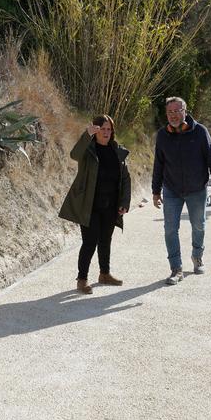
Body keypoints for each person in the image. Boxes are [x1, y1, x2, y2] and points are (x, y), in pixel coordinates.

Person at [152, 96, 211, 285]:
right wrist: (155, 191)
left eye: (177, 111)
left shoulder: (200, 132)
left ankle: (197, 256)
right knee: (169, 229)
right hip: (171, 189)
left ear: (185, 111)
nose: (174, 115)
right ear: (166, 114)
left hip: (196, 189)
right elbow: (158, 164)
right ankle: (176, 268)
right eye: (170, 112)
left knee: (199, 225)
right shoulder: (162, 135)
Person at [59, 115, 132, 294]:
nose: (106, 133)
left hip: (111, 204)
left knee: (106, 240)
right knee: (89, 242)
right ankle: (82, 279)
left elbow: (125, 178)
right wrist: (87, 135)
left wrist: (124, 202)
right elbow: (74, 154)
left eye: (109, 129)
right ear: (96, 130)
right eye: (103, 129)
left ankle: (104, 274)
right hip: (89, 204)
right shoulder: (89, 150)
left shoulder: (117, 151)